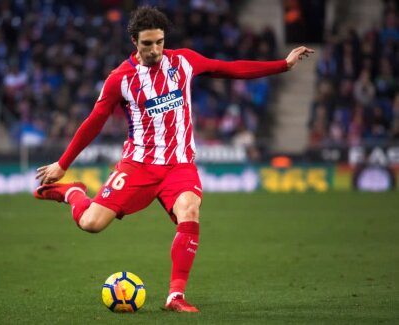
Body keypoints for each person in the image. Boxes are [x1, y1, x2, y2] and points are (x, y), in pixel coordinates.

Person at [34, 6, 314, 312]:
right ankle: (73, 193)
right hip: (138, 165)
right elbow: (94, 122)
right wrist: (63, 164)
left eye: (159, 42)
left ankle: (175, 296)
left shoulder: (183, 61)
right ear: (134, 42)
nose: (155, 50)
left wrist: (282, 66)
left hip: (179, 165)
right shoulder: (120, 79)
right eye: (147, 44)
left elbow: (229, 67)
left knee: (189, 211)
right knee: (91, 223)